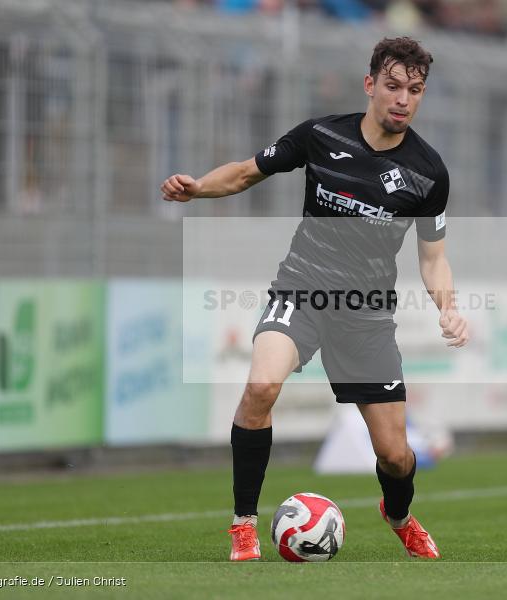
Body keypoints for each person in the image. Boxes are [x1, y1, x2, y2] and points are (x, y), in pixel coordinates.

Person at [161, 36, 469, 561]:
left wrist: (449, 306)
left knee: (396, 456)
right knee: (261, 388)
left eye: (415, 90)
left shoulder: (428, 173)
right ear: (370, 84)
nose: (403, 99)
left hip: (366, 315)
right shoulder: (322, 135)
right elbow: (244, 173)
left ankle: (398, 515)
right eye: (393, 86)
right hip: (301, 288)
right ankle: (243, 525)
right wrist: (196, 189)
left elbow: (432, 256)